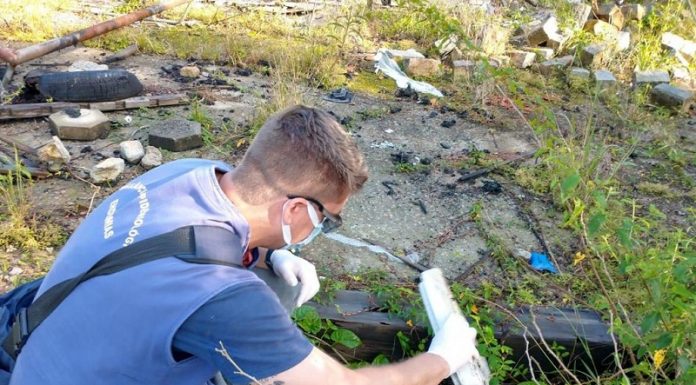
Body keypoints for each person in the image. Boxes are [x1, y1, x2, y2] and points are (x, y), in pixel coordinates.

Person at [10, 105, 479, 385]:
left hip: (43, 352)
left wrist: (275, 252)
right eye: (325, 218)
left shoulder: (188, 172)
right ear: (296, 210)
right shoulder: (220, 293)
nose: (322, 228)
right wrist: (443, 358)